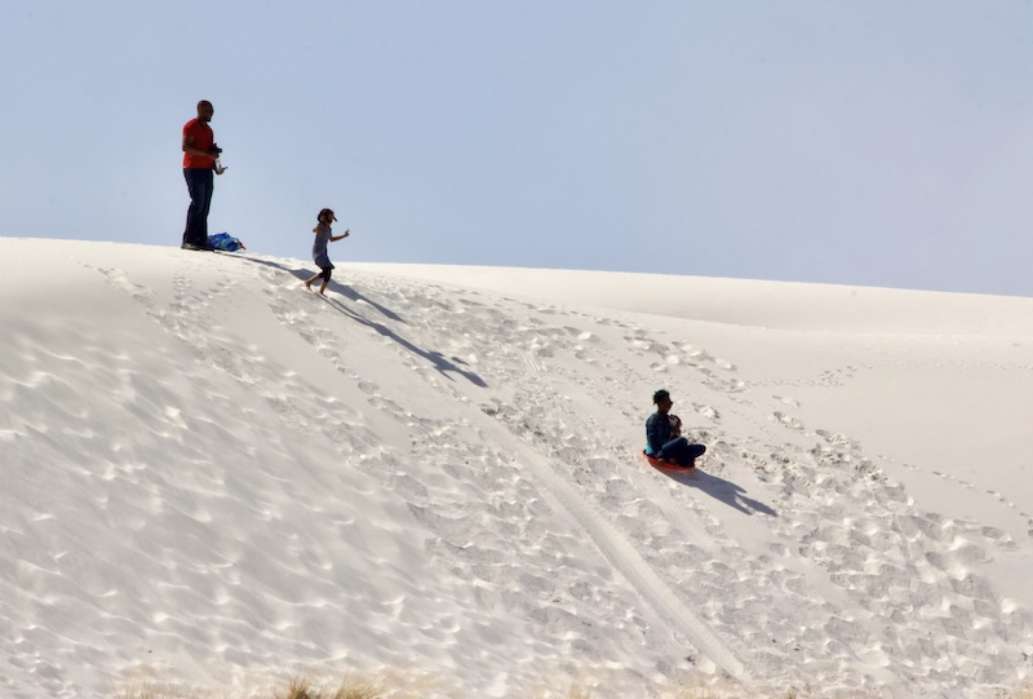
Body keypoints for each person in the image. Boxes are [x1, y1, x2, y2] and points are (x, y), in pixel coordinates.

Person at [181, 100, 226, 251]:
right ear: (200, 110)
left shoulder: (209, 130)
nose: (211, 114)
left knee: (205, 206)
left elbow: (210, 153)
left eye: (212, 111)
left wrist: (216, 167)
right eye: (208, 111)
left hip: (206, 170)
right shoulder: (191, 126)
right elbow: (186, 147)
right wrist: (207, 153)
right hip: (193, 169)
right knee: (197, 203)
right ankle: (188, 240)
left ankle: (201, 240)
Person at [645, 389, 706, 467]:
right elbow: (652, 439)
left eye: (671, 402)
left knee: (701, 448)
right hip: (658, 451)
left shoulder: (668, 419)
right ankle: (676, 458)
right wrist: (659, 455)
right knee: (683, 441)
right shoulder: (653, 419)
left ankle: (680, 459)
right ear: (660, 403)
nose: (670, 404)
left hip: (669, 449)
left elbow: (673, 438)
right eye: (668, 402)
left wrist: (676, 428)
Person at [304, 208, 350, 294]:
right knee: (327, 270)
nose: (332, 218)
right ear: (325, 217)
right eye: (330, 216)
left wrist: (344, 235)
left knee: (328, 273)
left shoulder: (329, 229)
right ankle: (309, 282)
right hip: (318, 252)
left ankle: (319, 291)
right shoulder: (321, 225)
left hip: (324, 253)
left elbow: (331, 239)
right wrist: (318, 227)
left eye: (332, 216)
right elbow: (315, 229)